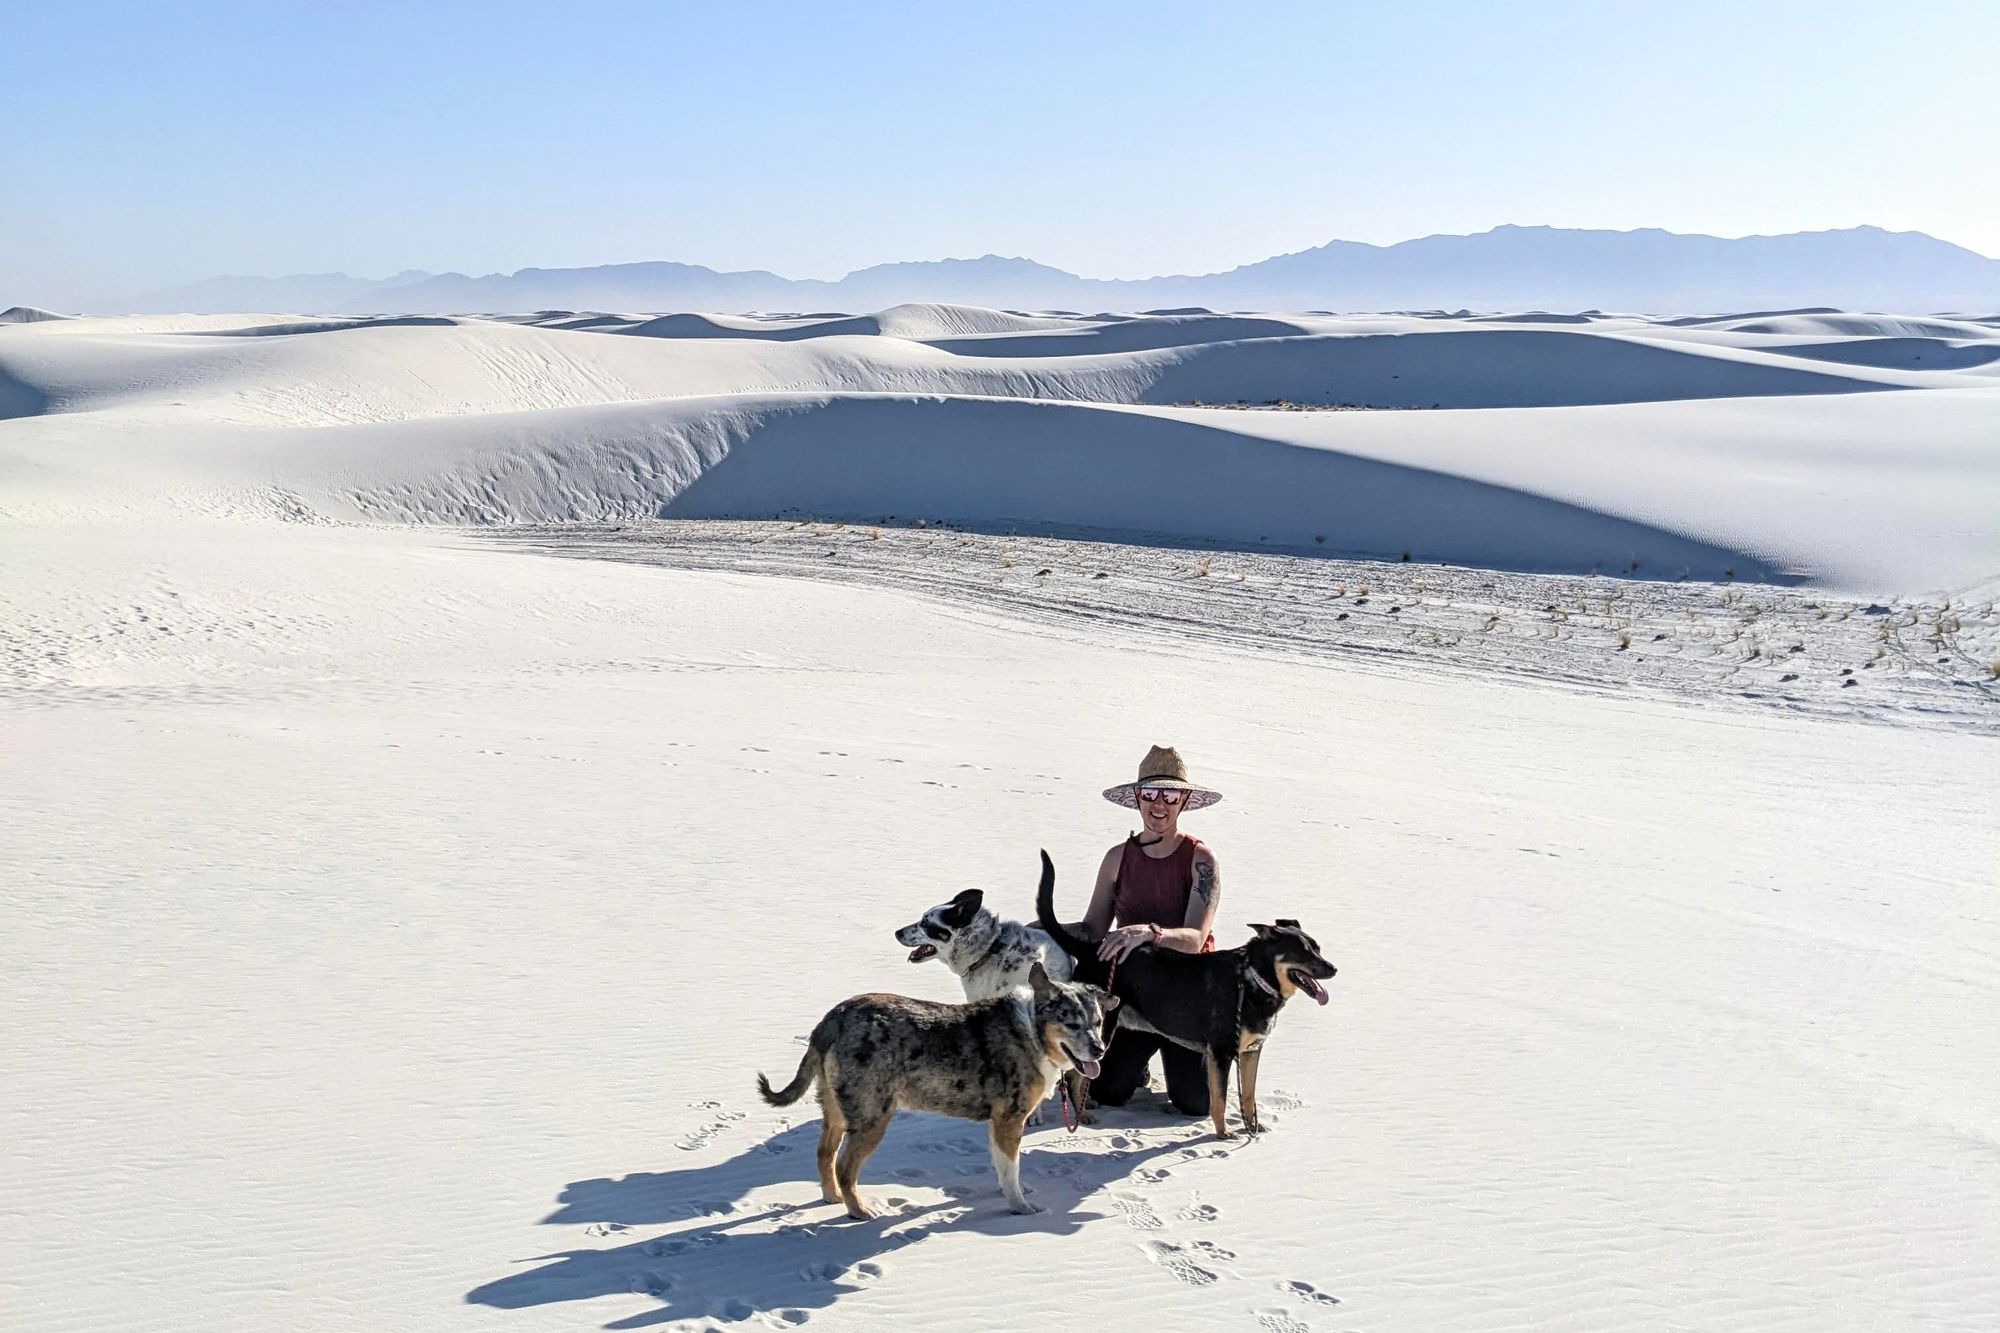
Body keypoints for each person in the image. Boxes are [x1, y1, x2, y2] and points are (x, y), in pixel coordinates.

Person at [1077, 744, 1224, 1116]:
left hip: (1187, 999)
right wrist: (1038, 931)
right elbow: (1093, 927)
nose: (1160, 803)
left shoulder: (1200, 860)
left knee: (1195, 1104)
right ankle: (1136, 1063)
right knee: (1109, 1091)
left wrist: (1149, 933)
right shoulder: (1117, 858)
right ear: (1137, 798)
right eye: (1151, 793)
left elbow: (1193, 940)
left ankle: (1205, 1058)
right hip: (1134, 998)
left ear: (1185, 801)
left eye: (1171, 794)